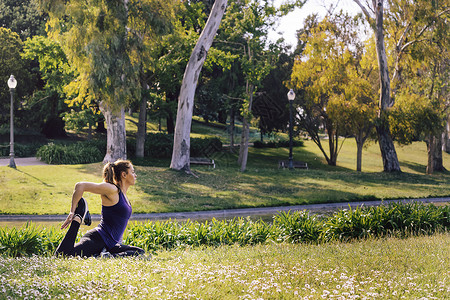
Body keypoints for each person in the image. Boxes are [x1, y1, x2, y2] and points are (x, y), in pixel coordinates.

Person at [55, 159, 146, 258]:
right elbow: (80, 185)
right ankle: (78, 216)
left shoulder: (123, 195)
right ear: (124, 174)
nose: (135, 175)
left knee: (139, 252)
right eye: (132, 172)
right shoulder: (112, 190)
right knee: (62, 255)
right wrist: (72, 212)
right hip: (97, 239)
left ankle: (105, 255)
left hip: (110, 245)